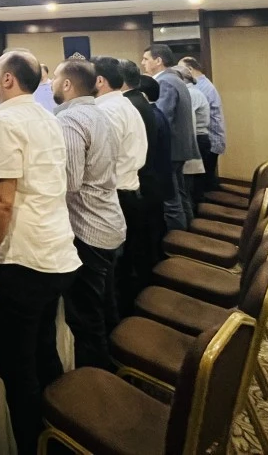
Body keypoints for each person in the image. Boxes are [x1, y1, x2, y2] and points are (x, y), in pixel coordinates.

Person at [0, 49, 79, 453]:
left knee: (17, 368)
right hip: (56, 250)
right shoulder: (47, 117)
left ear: (7, 79)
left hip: (23, 258)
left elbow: (2, 202)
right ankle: (58, 437)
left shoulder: (4, 121)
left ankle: (32, 444)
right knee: (44, 352)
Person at [51, 58, 125, 370]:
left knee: (85, 318)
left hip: (88, 228)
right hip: (109, 220)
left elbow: (69, 182)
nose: (52, 83)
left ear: (68, 84)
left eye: (56, 77)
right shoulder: (101, 114)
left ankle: (95, 383)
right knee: (105, 305)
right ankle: (117, 364)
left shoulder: (71, 120)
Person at [93, 56, 148, 321]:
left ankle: (115, 331)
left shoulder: (107, 112)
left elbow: (103, 162)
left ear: (99, 81)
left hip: (117, 196)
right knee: (119, 270)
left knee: (108, 276)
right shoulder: (125, 105)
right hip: (129, 192)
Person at [141, 44, 199, 228]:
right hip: (180, 147)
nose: (142, 63)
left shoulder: (164, 82)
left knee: (170, 199)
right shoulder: (176, 79)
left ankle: (177, 238)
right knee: (180, 194)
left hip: (171, 149)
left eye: (146, 59)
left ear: (158, 61)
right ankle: (189, 231)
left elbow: (161, 118)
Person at [136, 74, 176, 267]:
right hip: (160, 178)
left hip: (154, 180)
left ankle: (157, 263)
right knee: (157, 222)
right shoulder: (157, 112)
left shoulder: (150, 116)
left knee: (153, 226)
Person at [180, 56, 225, 191]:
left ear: (189, 69)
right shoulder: (202, 84)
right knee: (204, 181)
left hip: (210, 139)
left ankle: (206, 203)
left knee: (201, 184)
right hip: (211, 138)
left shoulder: (199, 88)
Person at [178, 65, 210, 212]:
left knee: (190, 185)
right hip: (198, 138)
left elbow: (188, 123)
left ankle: (195, 216)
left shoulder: (190, 94)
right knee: (193, 184)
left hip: (197, 139)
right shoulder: (193, 92)